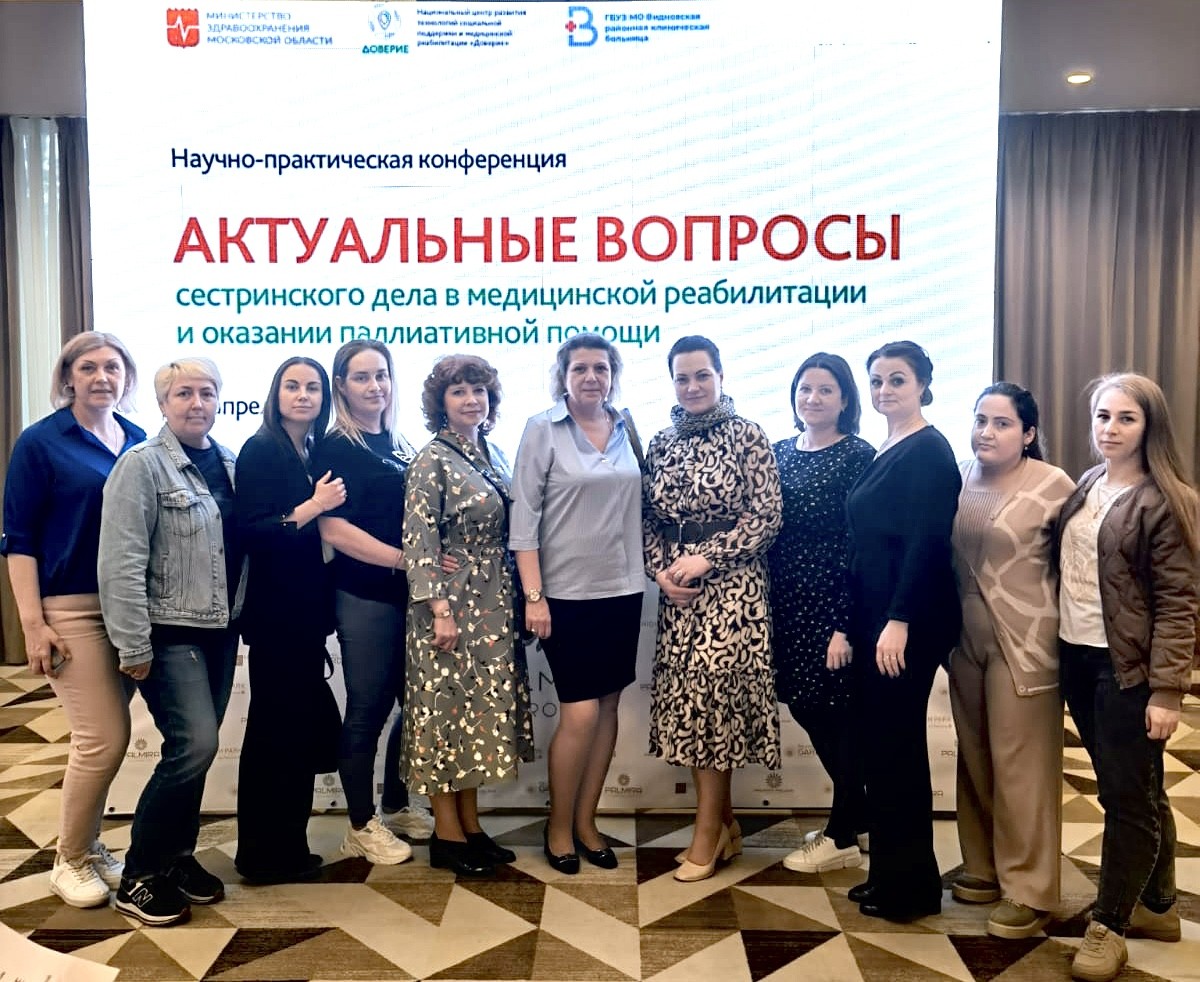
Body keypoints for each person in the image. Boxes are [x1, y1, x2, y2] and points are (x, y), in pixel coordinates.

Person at [1053, 373, 1197, 982]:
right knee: (1138, 787)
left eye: (1125, 418)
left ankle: (1108, 926)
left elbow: (1179, 603)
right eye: (1102, 416)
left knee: (1124, 798)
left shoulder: (1167, 499)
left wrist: (1167, 690)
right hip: (1076, 657)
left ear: (1149, 425)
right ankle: (1158, 906)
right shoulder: (1089, 483)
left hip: (1127, 670)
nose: (1109, 428)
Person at [98, 357, 245, 927]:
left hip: (220, 631)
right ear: (162, 403)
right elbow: (121, 560)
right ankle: (138, 876)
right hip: (166, 632)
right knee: (195, 745)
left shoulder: (228, 462)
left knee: (195, 752)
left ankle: (177, 859)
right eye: (183, 393)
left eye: (206, 393)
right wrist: (132, 643)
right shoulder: (141, 464)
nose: (196, 403)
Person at [0, 334, 144, 909]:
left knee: (107, 738)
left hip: (129, 611)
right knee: (101, 738)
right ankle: (70, 859)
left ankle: (90, 844)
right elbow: (19, 539)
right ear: (68, 377)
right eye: (88, 367)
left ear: (126, 377)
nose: (101, 377)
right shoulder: (40, 442)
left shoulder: (137, 439)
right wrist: (33, 624)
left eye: (112, 367)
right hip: (71, 609)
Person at [643, 334, 782, 882]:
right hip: (679, 591)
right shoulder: (660, 442)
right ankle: (725, 826)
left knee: (714, 709)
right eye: (682, 377)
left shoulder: (747, 434)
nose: (693, 386)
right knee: (692, 707)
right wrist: (661, 571)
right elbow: (648, 518)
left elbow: (767, 516)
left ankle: (706, 836)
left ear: (721, 376)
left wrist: (708, 557)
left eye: (702, 375)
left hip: (733, 589)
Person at [510, 332, 645, 874]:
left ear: (613, 375)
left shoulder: (626, 426)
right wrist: (534, 596)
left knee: (608, 707)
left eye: (601, 368)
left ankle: (587, 822)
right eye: (580, 368)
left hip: (623, 590)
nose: (592, 377)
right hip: (564, 596)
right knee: (581, 711)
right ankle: (558, 826)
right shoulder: (542, 429)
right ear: (563, 377)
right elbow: (523, 522)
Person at [948, 382, 1075, 938]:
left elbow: (1078, 567)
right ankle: (983, 866)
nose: (987, 432)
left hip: (1027, 643)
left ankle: (1029, 889)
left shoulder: (1054, 485)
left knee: (1022, 766)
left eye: (1002, 423)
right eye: (981, 420)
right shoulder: (958, 476)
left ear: (1028, 433)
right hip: (965, 642)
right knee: (975, 756)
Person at [403, 354, 534, 876]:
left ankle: (472, 827)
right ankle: (447, 835)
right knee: (444, 713)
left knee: (474, 717)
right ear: (441, 403)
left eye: (478, 390)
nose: (471, 399)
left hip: (492, 604)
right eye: (458, 391)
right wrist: (438, 608)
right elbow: (418, 541)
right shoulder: (430, 459)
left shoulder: (492, 452)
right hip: (450, 606)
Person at [844, 340, 961, 921]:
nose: (885, 390)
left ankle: (911, 891)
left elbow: (926, 543)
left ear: (922, 386)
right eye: (877, 380)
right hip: (877, 620)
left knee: (897, 752)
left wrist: (900, 619)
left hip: (904, 625)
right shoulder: (889, 445)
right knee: (884, 752)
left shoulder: (930, 451)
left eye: (897, 380)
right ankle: (891, 876)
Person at [313, 339, 433, 866]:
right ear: (341, 386)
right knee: (368, 709)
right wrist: (407, 561)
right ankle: (361, 826)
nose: (374, 386)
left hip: (410, 597)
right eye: (361, 377)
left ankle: (397, 804)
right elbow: (334, 529)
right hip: (365, 595)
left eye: (381, 375)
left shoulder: (398, 441)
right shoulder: (337, 447)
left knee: (415, 705)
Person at [234, 357, 345, 884]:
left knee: (294, 736)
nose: (303, 395)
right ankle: (260, 856)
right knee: (273, 737)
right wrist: (314, 506)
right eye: (292, 386)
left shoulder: (311, 450)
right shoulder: (261, 449)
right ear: (275, 394)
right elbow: (253, 532)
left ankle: (288, 849)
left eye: (313, 387)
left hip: (303, 620)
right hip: (276, 620)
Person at [768, 353, 875, 875]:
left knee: (839, 718)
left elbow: (861, 544)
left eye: (825, 390)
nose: (812, 398)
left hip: (832, 608)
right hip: (785, 606)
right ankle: (859, 817)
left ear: (845, 399)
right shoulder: (779, 451)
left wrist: (844, 626)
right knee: (808, 709)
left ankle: (841, 835)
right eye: (804, 389)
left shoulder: (858, 455)